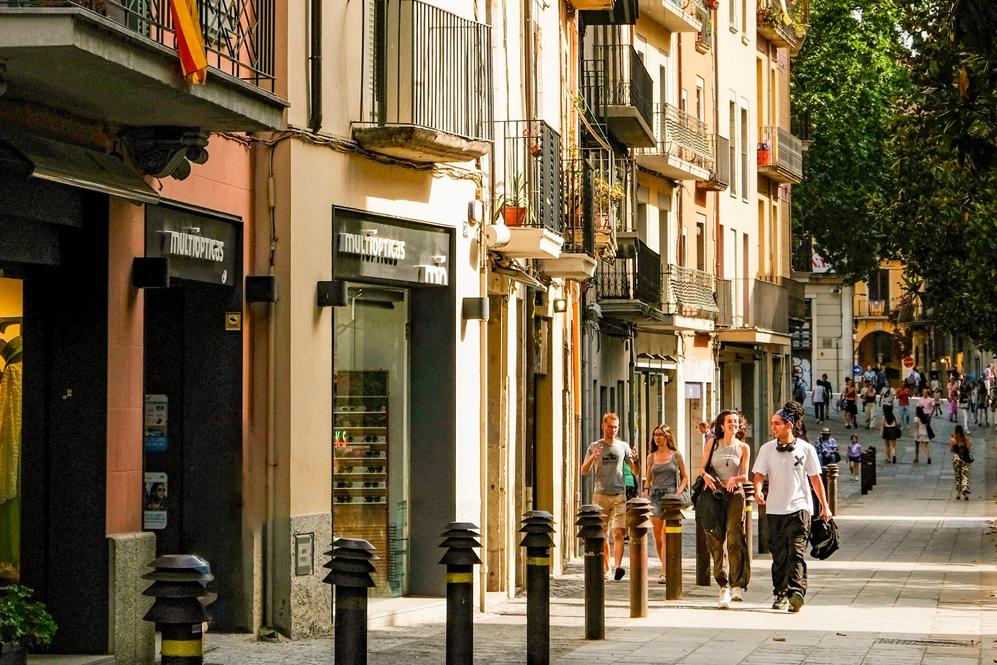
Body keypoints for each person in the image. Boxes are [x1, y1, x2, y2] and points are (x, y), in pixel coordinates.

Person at [753, 404, 832, 613]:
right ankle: (780, 593)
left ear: (789, 425)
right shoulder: (767, 449)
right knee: (779, 554)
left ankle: (796, 592)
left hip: (800, 508)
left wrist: (825, 506)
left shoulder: (807, 449)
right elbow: (759, 475)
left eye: (776, 424)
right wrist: (758, 491)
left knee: (796, 552)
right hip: (775, 509)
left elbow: (816, 479)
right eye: (772, 424)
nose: (773, 427)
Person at [699, 410, 751, 608]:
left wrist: (735, 479)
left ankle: (736, 583)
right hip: (713, 494)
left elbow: (745, 475)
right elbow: (702, 468)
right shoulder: (712, 443)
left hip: (735, 495)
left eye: (736, 421)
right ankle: (723, 584)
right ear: (722, 425)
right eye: (729, 421)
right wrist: (705, 476)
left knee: (734, 536)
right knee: (715, 538)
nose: (733, 425)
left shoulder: (743, 447)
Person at [581, 412, 637, 581]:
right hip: (600, 494)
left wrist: (635, 459)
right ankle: (607, 568)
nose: (613, 430)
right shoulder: (595, 446)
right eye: (610, 427)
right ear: (603, 426)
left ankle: (618, 566)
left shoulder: (623, 446)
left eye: (615, 427)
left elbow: (634, 470)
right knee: (603, 533)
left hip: (619, 494)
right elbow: (584, 471)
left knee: (619, 532)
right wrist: (592, 457)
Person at [642, 424, 688, 584]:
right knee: (657, 535)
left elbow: (685, 476)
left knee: (666, 535)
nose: (657, 437)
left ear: (668, 436)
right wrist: (646, 490)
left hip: (670, 496)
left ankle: (665, 572)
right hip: (655, 495)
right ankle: (665, 563)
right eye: (655, 435)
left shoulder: (676, 455)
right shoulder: (651, 457)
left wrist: (678, 492)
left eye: (661, 434)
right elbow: (648, 478)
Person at [949, 425, 973, 500]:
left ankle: (958, 493)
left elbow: (952, 450)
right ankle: (965, 494)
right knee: (964, 476)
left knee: (958, 476)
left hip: (956, 458)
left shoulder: (953, 439)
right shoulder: (966, 440)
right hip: (965, 459)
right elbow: (968, 450)